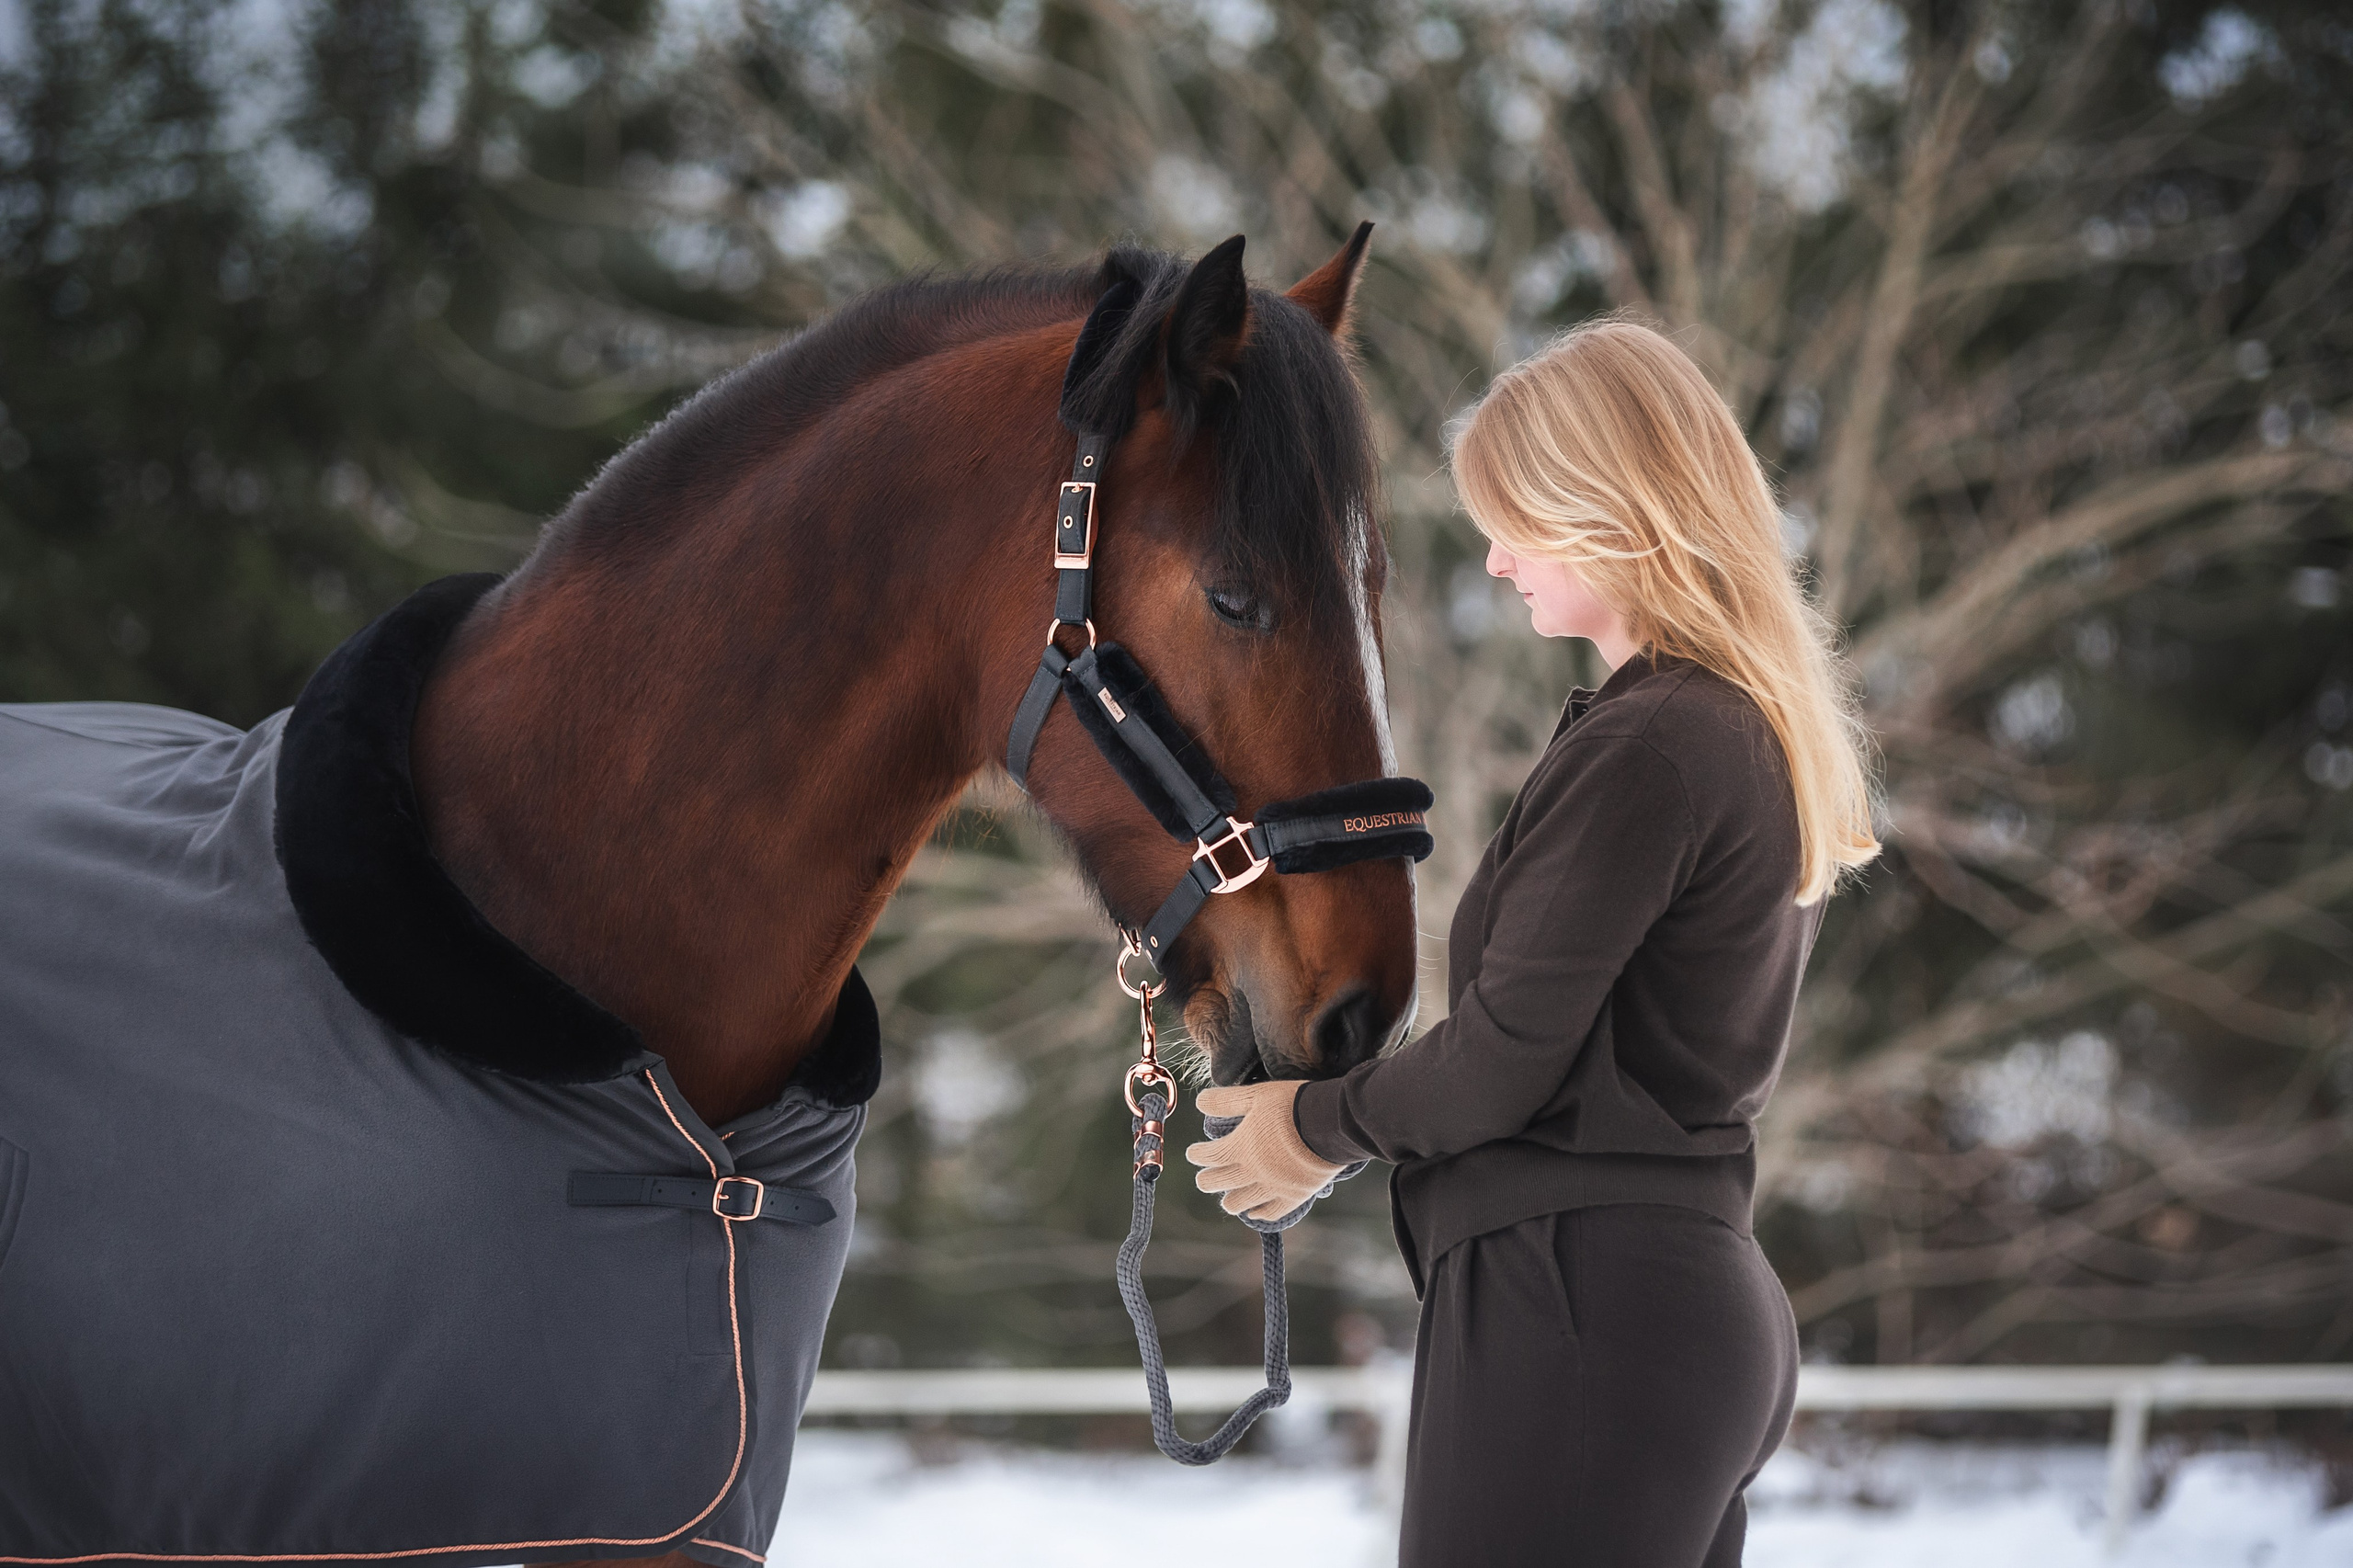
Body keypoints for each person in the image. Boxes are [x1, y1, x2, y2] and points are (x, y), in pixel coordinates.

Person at [1187, 317, 1881, 1567]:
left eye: (1518, 520)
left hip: (1584, 1308)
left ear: (1609, 505)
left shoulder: (1654, 743)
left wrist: (1311, 1126)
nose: (1499, 561)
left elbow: (1506, 1053)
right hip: (1670, 1306)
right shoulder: (1730, 731)